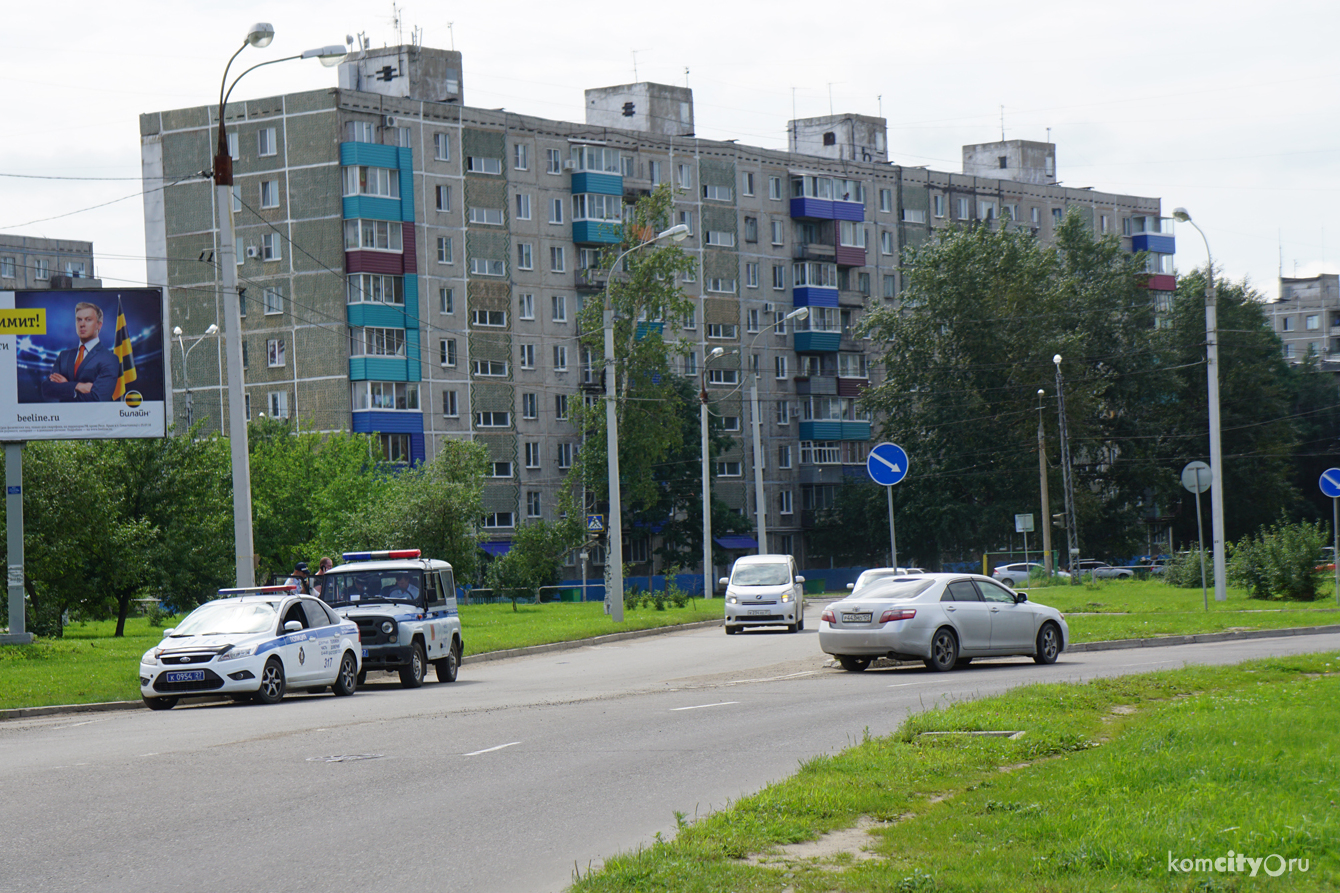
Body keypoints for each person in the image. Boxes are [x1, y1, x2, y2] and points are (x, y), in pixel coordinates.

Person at [39, 302, 120, 403]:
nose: (82, 324)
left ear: (99, 325)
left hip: (92, 418)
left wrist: (65, 386)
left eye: (88, 320)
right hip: (64, 417)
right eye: (79, 320)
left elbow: (97, 398)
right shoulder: (64, 356)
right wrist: (77, 386)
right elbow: (47, 389)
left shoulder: (109, 358)